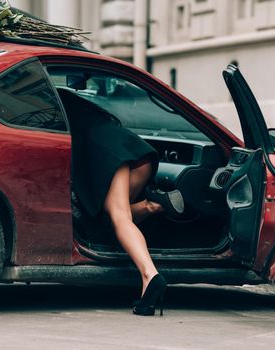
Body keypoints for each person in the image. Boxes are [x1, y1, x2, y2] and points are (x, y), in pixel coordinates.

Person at [57, 88, 184, 316]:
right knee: (111, 218)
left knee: (119, 218)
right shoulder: (83, 107)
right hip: (135, 151)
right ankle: (151, 205)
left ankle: (149, 276)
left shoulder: (54, 108)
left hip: (109, 154)